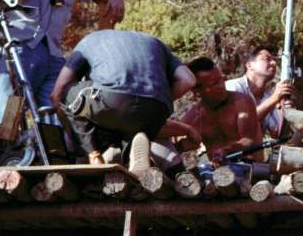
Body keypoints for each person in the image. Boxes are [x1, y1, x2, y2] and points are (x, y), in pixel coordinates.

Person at [133, 57, 264, 236]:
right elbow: (174, 137)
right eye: (212, 84)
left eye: (220, 80)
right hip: (210, 174)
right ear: (197, 92)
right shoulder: (196, 114)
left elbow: (249, 140)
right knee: (174, 188)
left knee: (206, 188)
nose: (220, 86)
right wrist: (184, 139)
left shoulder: (242, 101)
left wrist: (227, 149)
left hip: (244, 170)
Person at [0, 0, 125, 127]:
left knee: (57, 120)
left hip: (53, 53)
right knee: (9, 118)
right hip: (18, 50)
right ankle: (7, 153)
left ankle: (51, 154)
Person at [50, 29, 199, 172]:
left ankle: (92, 155)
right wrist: (162, 98)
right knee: (131, 124)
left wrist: (73, 133)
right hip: (155, 111)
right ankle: (133, 153)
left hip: (111, 104)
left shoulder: (88, 41)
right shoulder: (156, 43)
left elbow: (57, 93)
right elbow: (188, 80)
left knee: (67, 92)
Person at [226, 46, 293, 138]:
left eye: (274, 60)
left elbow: (277, 133)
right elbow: (239, 125)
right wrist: (274, 99)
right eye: (267, 59)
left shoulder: (268, 96)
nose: (273, 63)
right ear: (249, 65)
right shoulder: (232, 87)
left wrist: (285, 112)